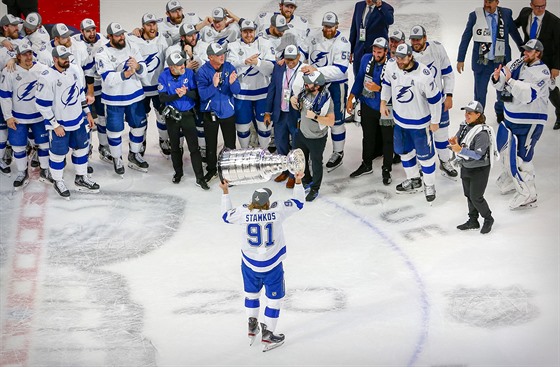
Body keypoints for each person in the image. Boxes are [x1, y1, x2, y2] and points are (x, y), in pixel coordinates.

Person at [219, 171, 305, 352]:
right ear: (267, 202)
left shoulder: (243, 212)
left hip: (250, 264)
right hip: (272, 265)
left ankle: (252, 326)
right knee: (274, 301)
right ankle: (268, 335)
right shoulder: (277, 210)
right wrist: (297, 181)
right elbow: (299, 203)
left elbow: (226, 215)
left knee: (251, 295)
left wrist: (225, 191)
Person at [492, 39, 550, 210]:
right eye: (525, 50)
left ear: (537, 53)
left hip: (530, 120)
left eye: (529, 51)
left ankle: (529, 194)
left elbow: (529, 94)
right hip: (511, 116)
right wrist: (497, 78)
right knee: (507, 152)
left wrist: (509, 81)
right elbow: (503, 76)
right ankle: (512, 179)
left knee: (523, 158)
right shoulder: (519, 62)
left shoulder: (543, 72)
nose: (525, 53)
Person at [35, 46, 100, 198]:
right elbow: (42, 105)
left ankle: (81, 178)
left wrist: (88, 113)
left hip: (77, 120)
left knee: (81, 150)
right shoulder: (47, 77)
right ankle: (58, 181)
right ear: (55, 59)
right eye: (63, 58)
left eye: (67, 57)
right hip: (60, 125)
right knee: (57, 154)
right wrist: (55, 125)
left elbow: (80, 95)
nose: (67, 60)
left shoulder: (73, 70)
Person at [380, 44, 442, 203]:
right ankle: (414, 179)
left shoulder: (424, 75)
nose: (399, 60)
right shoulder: (391, 66)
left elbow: (435, 100)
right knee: (404, 152)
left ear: (410, 56)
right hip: (400, 122)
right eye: (397, 57)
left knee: (426, 157)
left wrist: (435, 121)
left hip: (420, 125)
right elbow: (387, 83)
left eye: (402, 58)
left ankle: (429, 185)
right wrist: (383, 101)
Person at [95, 22, 149, 176]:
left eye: (122, 34)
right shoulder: (101, 53)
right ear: (110, 36)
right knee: (114, 131)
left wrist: (138, 67)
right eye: (117, 35)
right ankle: (117, 157)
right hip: (114, 100)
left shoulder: (131, 46)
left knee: (139, 127)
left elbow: (144, 71)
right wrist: (126, 73)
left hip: (135, 96)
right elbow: (108, 78)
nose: (121, 37)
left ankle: (134, 154)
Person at [457, 0, 523, 123]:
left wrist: (523, 50)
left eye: (491, 1)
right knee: (480, 94)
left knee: (502, 92)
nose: (487, 4)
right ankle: (479, 118)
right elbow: (466, 36)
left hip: (500, 62)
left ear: (497, 2)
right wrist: (460, 59)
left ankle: (500, 112)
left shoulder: (506, 14)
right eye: (485, 1)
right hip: (482, 63)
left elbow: (514, 33)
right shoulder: (475, 15)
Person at [303, 12, 351, 172]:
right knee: (313, 119)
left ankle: (338, 152)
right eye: (326, 26)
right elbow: (303, 51)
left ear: (337, 26)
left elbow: (341, 69)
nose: (328, 29)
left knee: (336, 121)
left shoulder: (343, 42)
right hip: (314, 85)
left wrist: (315, 70)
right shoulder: (313, 35)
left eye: (331, 27)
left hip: (336, 85)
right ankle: (314, 152)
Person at [409, 25, 458, 180]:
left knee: (442, 134)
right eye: (413, 39)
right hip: (418, 104)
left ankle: (444, 161)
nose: (415, 42)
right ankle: (422, 164)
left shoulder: (437, 49)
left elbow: (448, 74)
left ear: (425, 38)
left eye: (418, 39)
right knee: (421, 136)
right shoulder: (407, 54)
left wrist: (449, 95)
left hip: (438, 101)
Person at [0, 43, 50, 188]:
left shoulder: (42, 69)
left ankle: (45, 170)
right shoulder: (9, 71)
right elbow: (5, 96)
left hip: (39, 116)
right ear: (18, 56)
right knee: (18, 147)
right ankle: (22, 172)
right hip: (18, 117)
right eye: (24, 54)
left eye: (30, 53)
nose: (28, 57)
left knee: (44, 144)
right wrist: (8, 116)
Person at [158, 52, 208, 189]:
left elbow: (196, 95)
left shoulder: (189, 73)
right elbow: (162, 98)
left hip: (187, 115)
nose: (183, 66)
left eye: (183, 63)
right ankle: (178, 173)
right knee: (175, 147)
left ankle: (200, 177)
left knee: (194, 148)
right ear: (171, 67)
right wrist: (175, 95)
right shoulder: (164, 76)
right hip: (172, 117)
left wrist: (185, 93)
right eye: (179, 65)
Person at [347, 37, 393, 185]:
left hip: (385, 107)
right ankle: (366, 164)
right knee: (368, 137)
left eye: (379, 52)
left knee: (387, 139)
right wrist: (351, 97)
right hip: (367, 104)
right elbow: (360, 78)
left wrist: (378, 88)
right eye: (374, 51)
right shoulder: (366, 58)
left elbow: (396, 87)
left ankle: (387, 169)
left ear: (386, 51)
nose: (376, 54)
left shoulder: (392, 65)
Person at [128, 13, 173, 159]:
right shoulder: (133, 40)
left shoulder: (164, 40)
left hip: (159, 87)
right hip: (140, 89)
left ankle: (164, 140)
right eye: (148, 24)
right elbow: (119, 39)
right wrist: (131, 32)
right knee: (141, 119)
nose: (152, 27)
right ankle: (140, 143)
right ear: (143, 27)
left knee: (162, 117)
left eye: (154, 24)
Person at [449, 100, 497, 234]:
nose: (466, 115)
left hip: (479, 169)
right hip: (466, 166)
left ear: (478, 114)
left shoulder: (482, 133)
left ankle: (488, 218)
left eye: (470, 113)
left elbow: (478, 155)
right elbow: (459, 140)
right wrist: (454, 142)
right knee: (468, 195)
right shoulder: (464, 127)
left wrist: (460, 150)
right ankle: (473, 221)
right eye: (466, 112)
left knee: (476, 196)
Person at [227, 19, 275, 149]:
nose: (248, 35)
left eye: (251, 31)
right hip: (242, 94)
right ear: (241, 32)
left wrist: (257, 63)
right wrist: (246, 62)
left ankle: (264, 152)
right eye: (245, 32)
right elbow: (231, 68)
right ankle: (244, 152)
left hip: (263, 93)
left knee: (264, 125)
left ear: (255, 31)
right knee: (242, 126)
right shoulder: (233, 46)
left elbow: (271, 69)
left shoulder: (265, 43)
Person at [196, 42, 239, 183]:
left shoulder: (229, 67)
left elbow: (237, 91)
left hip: (228, 113)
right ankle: (212, 170)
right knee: (211, 144)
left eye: (223, 53)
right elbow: (203, 95)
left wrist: (233, 83)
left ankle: (231, 171)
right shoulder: (202, 71)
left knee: (230, 144)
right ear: (210, 57)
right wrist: (213, 85)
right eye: (218, 55)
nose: (222, 56)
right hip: (210, 113)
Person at [514, 0, 560, 130]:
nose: (540, 9)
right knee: (523, 82)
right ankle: (524, 112)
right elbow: (513, 26)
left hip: (546, 60)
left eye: (543, 6)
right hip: (527, 57)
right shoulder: (524, 13)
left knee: (550, 88)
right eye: (537, 6)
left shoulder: (554, 22)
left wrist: (556, 66)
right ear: (531, 5)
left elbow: (558, 46)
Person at [290, 71, 335, 202]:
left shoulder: (327, 99)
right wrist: (293, 100)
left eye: (309, 83)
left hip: (317, 137)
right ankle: (306, 180)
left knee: (316, 163)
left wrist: (315, 116)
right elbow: (296, 101)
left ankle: (315, 187)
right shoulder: (305, 92)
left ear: (317, 85)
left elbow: (331, 121)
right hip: (302, 133)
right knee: (301, 160)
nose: (306, 84)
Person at [265, 44, 304, 189]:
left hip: (295, 114)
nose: (290, 62)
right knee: (281, 144)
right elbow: (272, 89)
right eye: (287, 59)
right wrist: (268, 112)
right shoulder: (279, 68)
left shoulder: (303, 70)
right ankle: (285, 170)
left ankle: (294, 175)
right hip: (280, 112)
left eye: (293, 59)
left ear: (299, 57)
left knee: (295, 145)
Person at [73, 18, 111, 163]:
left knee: (102, 117)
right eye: (88, 30)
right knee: (85, 121)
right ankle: (87, 148)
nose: (92, 33)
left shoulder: (103, 40)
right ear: (81, 31)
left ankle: (103, 146)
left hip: (100, 86)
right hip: (83, 89)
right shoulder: (74, 41)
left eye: (93, 29)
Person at [349, 0, 394, 78]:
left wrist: (380, 6)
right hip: (359, 52)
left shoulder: (386, 8)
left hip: (376, 54)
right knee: (358, 80)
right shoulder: (359, 6)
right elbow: (354, 29)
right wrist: (350, 50)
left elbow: (390, 21)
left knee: (373, 83)